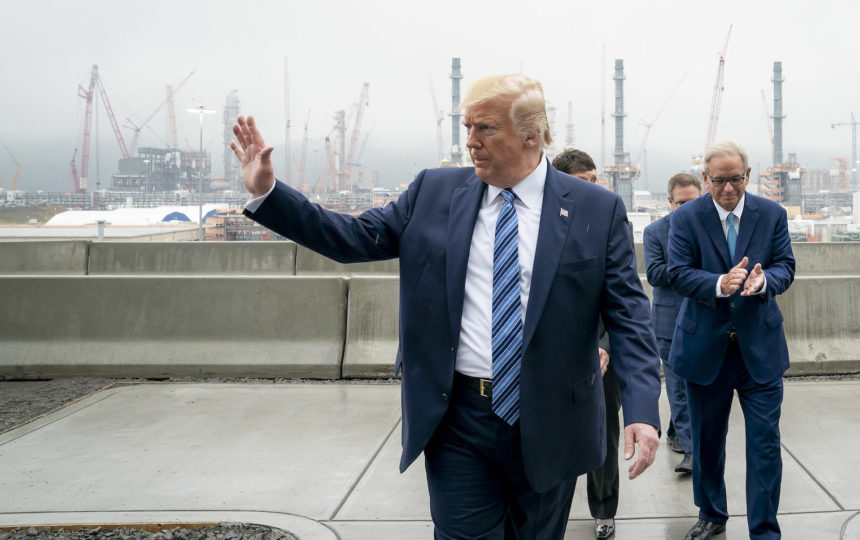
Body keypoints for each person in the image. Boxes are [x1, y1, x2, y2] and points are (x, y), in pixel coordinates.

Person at [231, 73, 662, 540]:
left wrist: (641, 408)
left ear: (531, 135)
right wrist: (269, 194)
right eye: (467, 128)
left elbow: (628, 316)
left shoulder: (595, 208)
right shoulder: (433, 192)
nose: (471, 143)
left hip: (552, 419)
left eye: (486, 129)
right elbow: (351, 237)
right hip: (458, 418)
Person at [667, 140, 795, 540]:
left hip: (759, 350)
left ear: (748, 176)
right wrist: (719, 284)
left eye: (735, 179)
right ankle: (711, 515)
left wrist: (764, 283)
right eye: (719, 181)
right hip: (706, 350)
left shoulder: (772, 214)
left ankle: (764, 529)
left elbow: (785, 265)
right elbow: (675, 272)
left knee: (765, 446)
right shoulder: (686, 218)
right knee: (706, 443)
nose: (727, 189)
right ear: (705, 178)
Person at [551, 148, 617, 540]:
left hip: (602, 356)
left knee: (604, 439)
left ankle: (604, 510)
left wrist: (606, 344)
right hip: (551, 356)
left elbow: (621, 298)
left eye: (595, 181)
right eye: (582, 183)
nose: (592, 190)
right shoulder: (538, 226)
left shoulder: (608, 222)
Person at [643, 172, 702, 476]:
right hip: (669, 322)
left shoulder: (712, 230)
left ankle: (677, 431)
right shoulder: (655, 232)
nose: (687, 209)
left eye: (693, 202)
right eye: (681, 203)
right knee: (678, 389)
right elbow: (654, 274)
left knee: (698, 387)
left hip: (705, 320)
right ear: (669, 202)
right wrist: (688, 268)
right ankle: (693, 452)